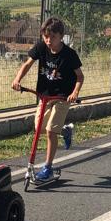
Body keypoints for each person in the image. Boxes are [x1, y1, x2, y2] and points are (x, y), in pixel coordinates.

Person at [11, 17, 84, 183]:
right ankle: (64, 130)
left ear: (61, 36)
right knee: (39, 128)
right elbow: (28, 64)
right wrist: (17, 80)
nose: (48, 40)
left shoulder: (69, 55)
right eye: (46, 37)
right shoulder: (41, 47)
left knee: (51, 131)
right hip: (44, 95)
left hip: (62, 97)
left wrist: (75, 93)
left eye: (52, 37)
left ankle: (48, 167)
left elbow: (80, 76)